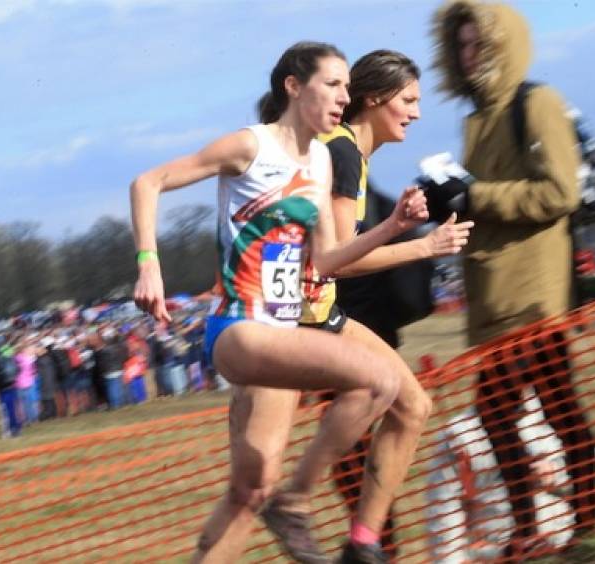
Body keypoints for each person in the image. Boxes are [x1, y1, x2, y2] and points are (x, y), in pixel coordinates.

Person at [131, 41, 430, 563]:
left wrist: (396, 228)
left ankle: (277, 501)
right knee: (380, 380)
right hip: (239, 328)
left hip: (283, 332)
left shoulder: (318, 164)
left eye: (346, 86)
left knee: (250, 490)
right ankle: (297, 499)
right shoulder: (249, 146)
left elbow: (329, 262)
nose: (344, 96)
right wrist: (148, 263)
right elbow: (148, 181)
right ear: (294, 87)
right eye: (332, 85)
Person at [431, 1, 595, 553]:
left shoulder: (539, 102)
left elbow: (560, 193)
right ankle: (546, 529)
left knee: (534, 409)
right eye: (460, 45)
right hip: (491, 291)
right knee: (510, 413)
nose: (468, 54)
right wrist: (448, 200)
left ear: (503, 44)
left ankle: (572, 526)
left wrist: (475, 195)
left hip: (534, 293)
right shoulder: (476, 117)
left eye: (477, 42)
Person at [298, 49, 473, 562]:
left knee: (413, 405)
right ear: (373, 99)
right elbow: (335, 262)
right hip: (305, 317)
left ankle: (365, 543)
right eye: (409, 100)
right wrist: (425, 245)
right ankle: (359, 539)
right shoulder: (344, 151)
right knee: (410, 406)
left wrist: (401, 228)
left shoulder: (346, 150)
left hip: (316, 314)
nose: (416, 112)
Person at [425, 390, 595, 563]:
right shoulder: (461, 436)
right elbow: (443, 523)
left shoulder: (555, 415)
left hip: (566, 549)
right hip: (498, 555)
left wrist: (556, 474)